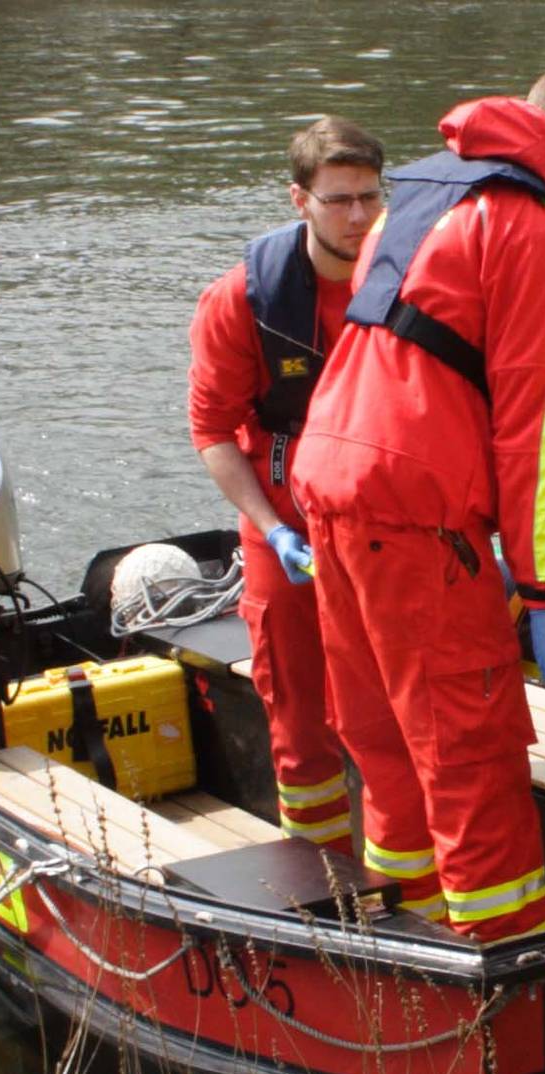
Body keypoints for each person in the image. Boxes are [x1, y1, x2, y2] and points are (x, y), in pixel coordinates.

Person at [287, 61, 545, 1074]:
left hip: (332, 481)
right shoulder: (538, 229)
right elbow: (534, 431)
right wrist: (543, 590)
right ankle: (516, 1029)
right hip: (418, 510)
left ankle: (413, 985)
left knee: (386, 744)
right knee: (473, 764)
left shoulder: (422, 193)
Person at [184, 116, 388, 854]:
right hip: (288, 527)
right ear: (299, 199)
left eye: (370, 196)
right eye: (339, 200)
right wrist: (271, 530)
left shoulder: (408, 278)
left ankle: (406, 878)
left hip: (384, 523)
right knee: (299, 719)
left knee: (392, 714)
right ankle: (322, 876)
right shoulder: (242, 300)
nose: (358, 217)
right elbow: (212, 431)